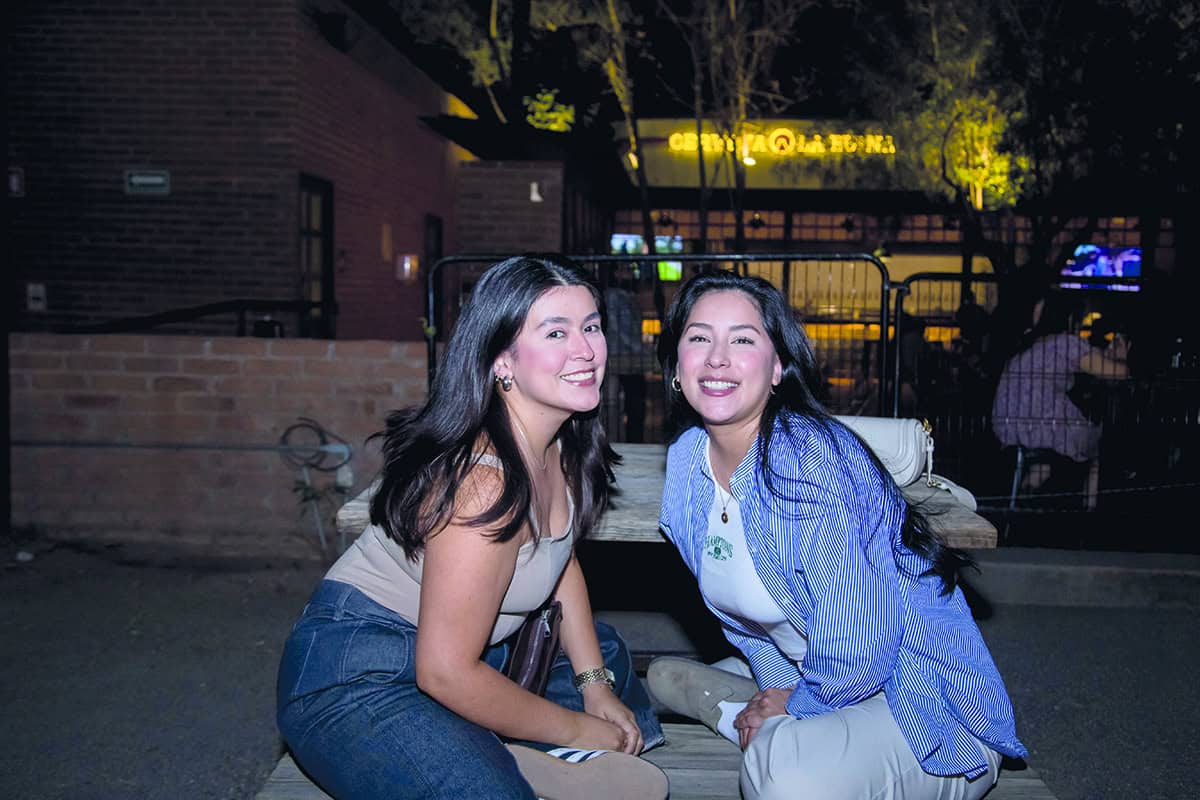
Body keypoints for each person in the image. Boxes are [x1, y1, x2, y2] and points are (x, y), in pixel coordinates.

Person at [276, 255, 666, 800]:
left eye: (591, 326)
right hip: (361, 672)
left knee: (610, 658)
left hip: (476, 652)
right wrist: (583, 728)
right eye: (556, 332)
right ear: (501, 360)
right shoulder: (483, 482)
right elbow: (444, 673)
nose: (585, 350)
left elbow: (559, 563)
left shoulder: (561, 439)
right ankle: (499, 760)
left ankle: (494, 746)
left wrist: (593, 684)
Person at [645, 270, 1026, 800]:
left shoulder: (813, 463)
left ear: (778, 366)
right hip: (815, 674)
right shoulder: (688, 461)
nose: (717, 357)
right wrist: (779, 684)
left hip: (916, 698)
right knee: (688, 691)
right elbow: (751, 619)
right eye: (699, 337)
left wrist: (790, 704)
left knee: (786, 783)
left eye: (743, 339)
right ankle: (756, 714)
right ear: (676, 364)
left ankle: (747, 722)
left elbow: (864, 647)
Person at [991, 290, 1130, 508]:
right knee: (1096, 444)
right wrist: (1123, 357)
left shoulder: (1028, 343)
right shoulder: (1065, 344)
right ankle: (1088, 512)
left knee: (1044, 457)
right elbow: (1114, 372)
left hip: (1008, 424)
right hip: (1041, 424)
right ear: (1071, 319)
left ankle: (1022, 501)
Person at [601, 266, 650, 442]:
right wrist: (640, 349)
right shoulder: (615, 296)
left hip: (623, 356)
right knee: (618, 404)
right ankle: (620, 441)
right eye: (627, 270)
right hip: (620, 356)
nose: (632, 274)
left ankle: (627, 440)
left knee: (626, 403)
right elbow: (621, 329)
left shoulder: (623, 296)